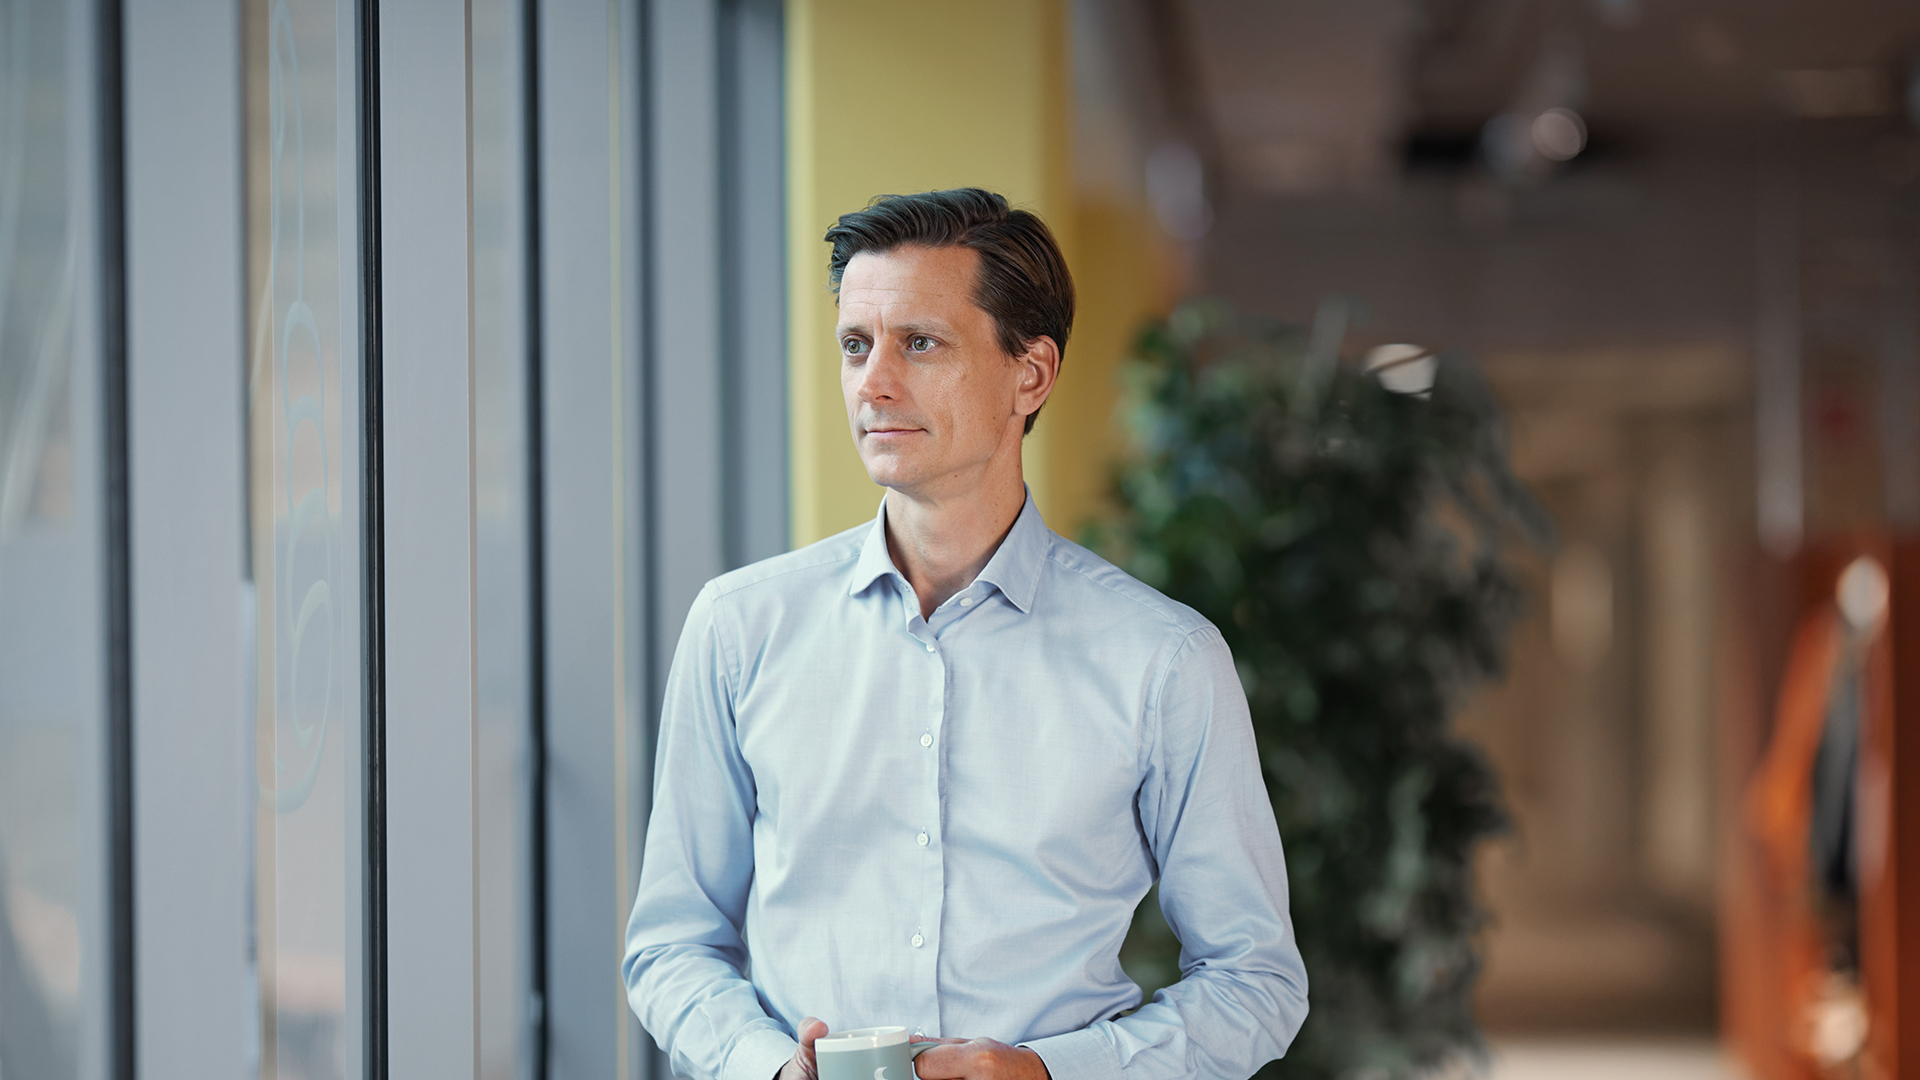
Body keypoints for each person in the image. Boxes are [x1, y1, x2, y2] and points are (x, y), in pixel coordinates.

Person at [623, 188, 1307, 1080]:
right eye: (856, 346)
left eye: (920, 343)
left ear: (1031, 374)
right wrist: (767, 1067)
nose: (873, 382)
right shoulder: (740, 627)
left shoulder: (1163, 659)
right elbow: (671, 945)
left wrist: (1049, 1072)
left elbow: (1254, 980)